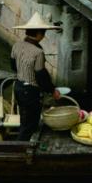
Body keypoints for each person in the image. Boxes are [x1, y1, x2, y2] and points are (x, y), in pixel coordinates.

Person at [11, 12, 62, 141]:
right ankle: (20, 151)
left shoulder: (16, 45)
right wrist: (52, 90)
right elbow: (41, 76)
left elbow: (13, 66)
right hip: (30, 91)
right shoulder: (38, 52)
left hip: (18, 87)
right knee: (30, 125)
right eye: (43, 33)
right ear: (38, 34)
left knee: (24, 120)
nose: (43, 36)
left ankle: (21, 146)